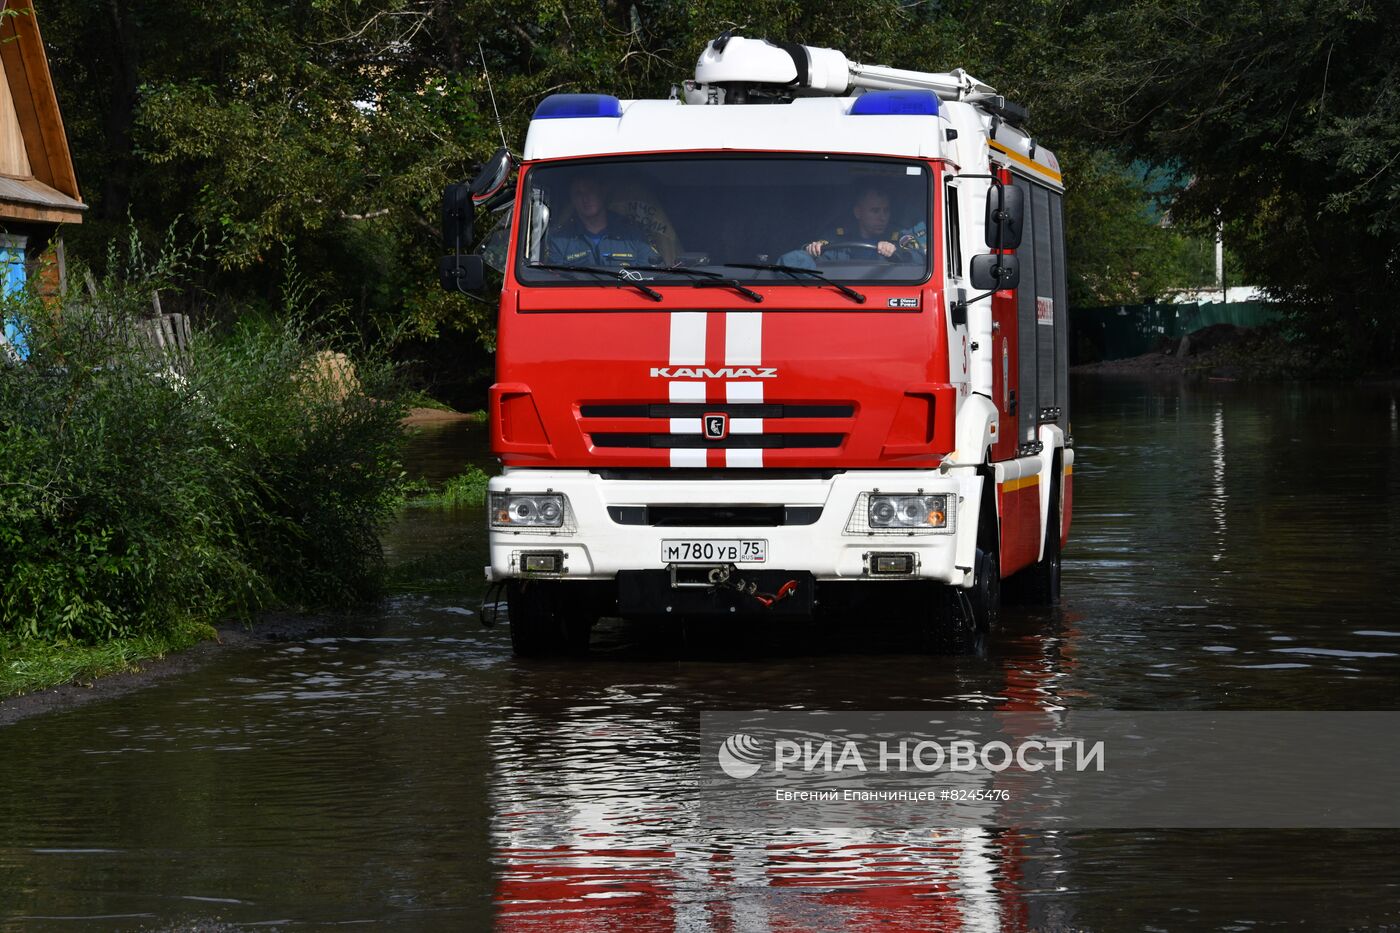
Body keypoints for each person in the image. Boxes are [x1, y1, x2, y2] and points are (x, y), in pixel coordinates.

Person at [783, 187, 927, 267]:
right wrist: (810, 249)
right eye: (875, 210)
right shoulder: (837, 237)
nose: (883, 217)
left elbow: (922, 260)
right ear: (858, 212)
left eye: (886, 210)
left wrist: (897, 253)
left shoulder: (899, 236)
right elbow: (807, 257)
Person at [545, 175, 661, 267]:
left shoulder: (633, 236)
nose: (585, 198)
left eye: (590, 190)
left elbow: (652, 277)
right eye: (578, 193)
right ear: (572, 199)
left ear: (602, 192)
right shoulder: (559, 241)